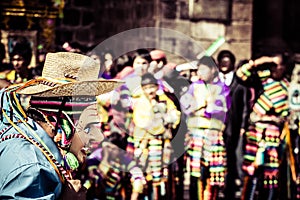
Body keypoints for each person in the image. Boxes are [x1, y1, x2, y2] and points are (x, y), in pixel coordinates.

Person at [0, 52, 122, 199]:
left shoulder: (23, 136)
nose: (98, 136)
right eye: (88, 127)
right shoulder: (33, 169)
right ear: (57, 123)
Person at [236, 49, 292, 200]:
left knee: (271, 173)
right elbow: (240, 74)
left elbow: (285, 115)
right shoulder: (261, 80)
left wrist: (271, 119)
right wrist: (259, 61)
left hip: (273, 135)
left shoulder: (287, 87)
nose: (274, 68)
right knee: (252, 169)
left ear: (284, 67)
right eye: (272, 65)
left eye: (277, 65)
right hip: (255, 132)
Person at [181, 56, 230, 200]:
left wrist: (204, 107)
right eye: (198, 69)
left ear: (214, 70)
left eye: (203, 69)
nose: (200, 72)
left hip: (213, 134)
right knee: (196, 172)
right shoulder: (194, 87)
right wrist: (199, 106)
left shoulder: (222, 87)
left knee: (212, 173)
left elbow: (221, 108)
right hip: (195, 133)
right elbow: (186, 105)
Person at [131, 73, 180, 200]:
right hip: (144, 143)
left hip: (161, 143)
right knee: (142, 176)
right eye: (146, 88)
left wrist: (169, 118)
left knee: (160, 176)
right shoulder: (140, 102)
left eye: (152, 87)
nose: (150, 91)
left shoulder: (163, 99)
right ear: (142, 89)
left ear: (157, 87)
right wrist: (164, 123)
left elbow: (175, 114)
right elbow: (145, 123)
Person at [217, 50, 252, 200]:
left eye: (228, 60)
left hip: (235, 125)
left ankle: (232, 186)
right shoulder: (213, 81)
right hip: (217, 126)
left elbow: (245, 105)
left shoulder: (239, 82)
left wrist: (243, 125)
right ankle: (219, 186)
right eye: (222, 60)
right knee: (219, 157)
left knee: (234, 157)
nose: (225, 63)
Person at [83, 132, 145, 200]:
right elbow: (94, 176)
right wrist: (105, 159)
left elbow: (136, 172)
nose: (110, 150)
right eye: (108, 147)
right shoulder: (98, 155)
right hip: (95, 194)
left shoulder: (123, 159)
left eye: (113, 149)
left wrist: (137, 185)